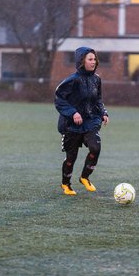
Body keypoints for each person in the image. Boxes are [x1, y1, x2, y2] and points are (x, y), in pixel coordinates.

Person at [54, 46, 109, 195]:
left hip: (91, 122)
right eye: (90, 59)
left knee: (95, 148)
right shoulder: (72, 80)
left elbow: (98, 99)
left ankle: (85, 177)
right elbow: (59, 99)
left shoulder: (97, 79)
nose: (93, 62)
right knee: (71, 157)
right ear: (81, 61)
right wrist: (73, 113)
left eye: (94, 59)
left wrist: (103, 112)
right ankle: (66, 184)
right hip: (72, 125)